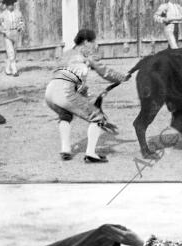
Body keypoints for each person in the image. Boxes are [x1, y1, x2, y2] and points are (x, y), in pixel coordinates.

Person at [45, 28, 128, 163]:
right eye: (93, 41)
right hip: (66, 92)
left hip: (50, 92)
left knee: (65, 114)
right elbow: (105, 72)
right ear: (85, 42)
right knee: (98, 117)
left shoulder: (66, 54)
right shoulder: (87, 53)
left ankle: (65, 149)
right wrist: (121, 77)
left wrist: (83, 92)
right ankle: (90, 153)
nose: (95, 44)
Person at [0, 0, 25, 77]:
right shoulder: (3, 14)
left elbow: (21, 22)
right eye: (9, 5)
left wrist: (21, 27)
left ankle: (7, 69)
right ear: (6, 6)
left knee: (14, 53)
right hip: (7, 34)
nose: (11, 6)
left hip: (16, 33)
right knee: (11, 52)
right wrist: (2, 30)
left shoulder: (18, 13)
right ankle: (15, 71)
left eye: (12, 5)